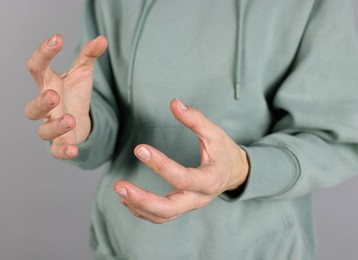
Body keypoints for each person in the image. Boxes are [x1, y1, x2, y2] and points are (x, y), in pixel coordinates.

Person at [24, 0, 358, 259]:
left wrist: (242, 168)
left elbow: (331, 136)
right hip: (126, 245)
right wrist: (80, 126)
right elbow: (105, 110)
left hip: (264, 247)